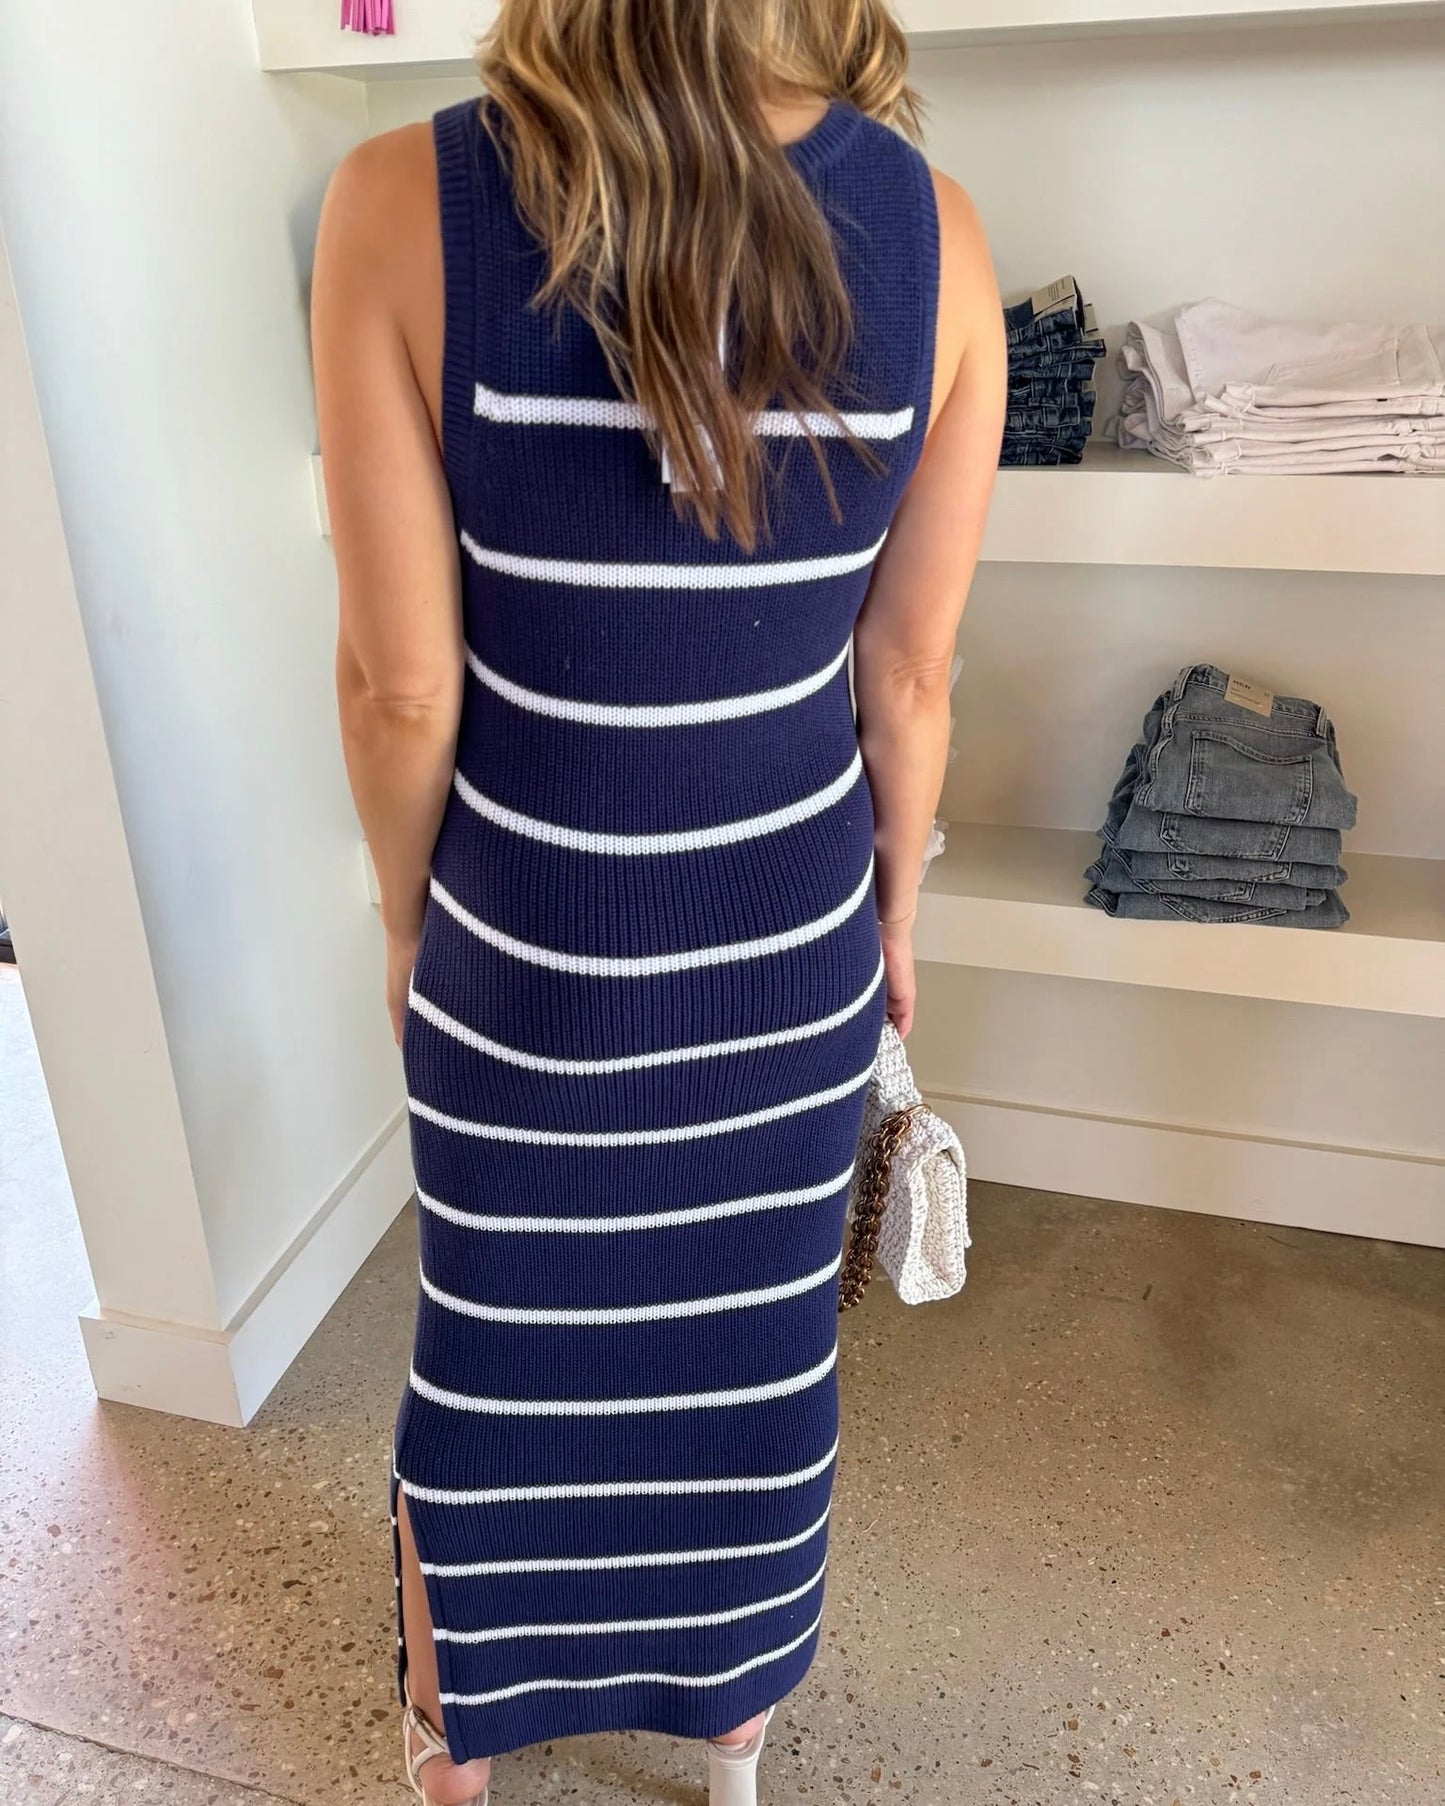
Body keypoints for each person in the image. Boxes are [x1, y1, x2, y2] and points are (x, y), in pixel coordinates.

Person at [310, 2, 1004, 1800]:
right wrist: (894, 926)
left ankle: (453, 1746)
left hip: (524, 949)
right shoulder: (939, 238)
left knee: (497, 1360)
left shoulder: (397, 204)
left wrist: (408, 917)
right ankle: (730, 1731)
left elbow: (399, 688)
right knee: (750, 1366)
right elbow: (908, 677)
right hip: (789, 954)